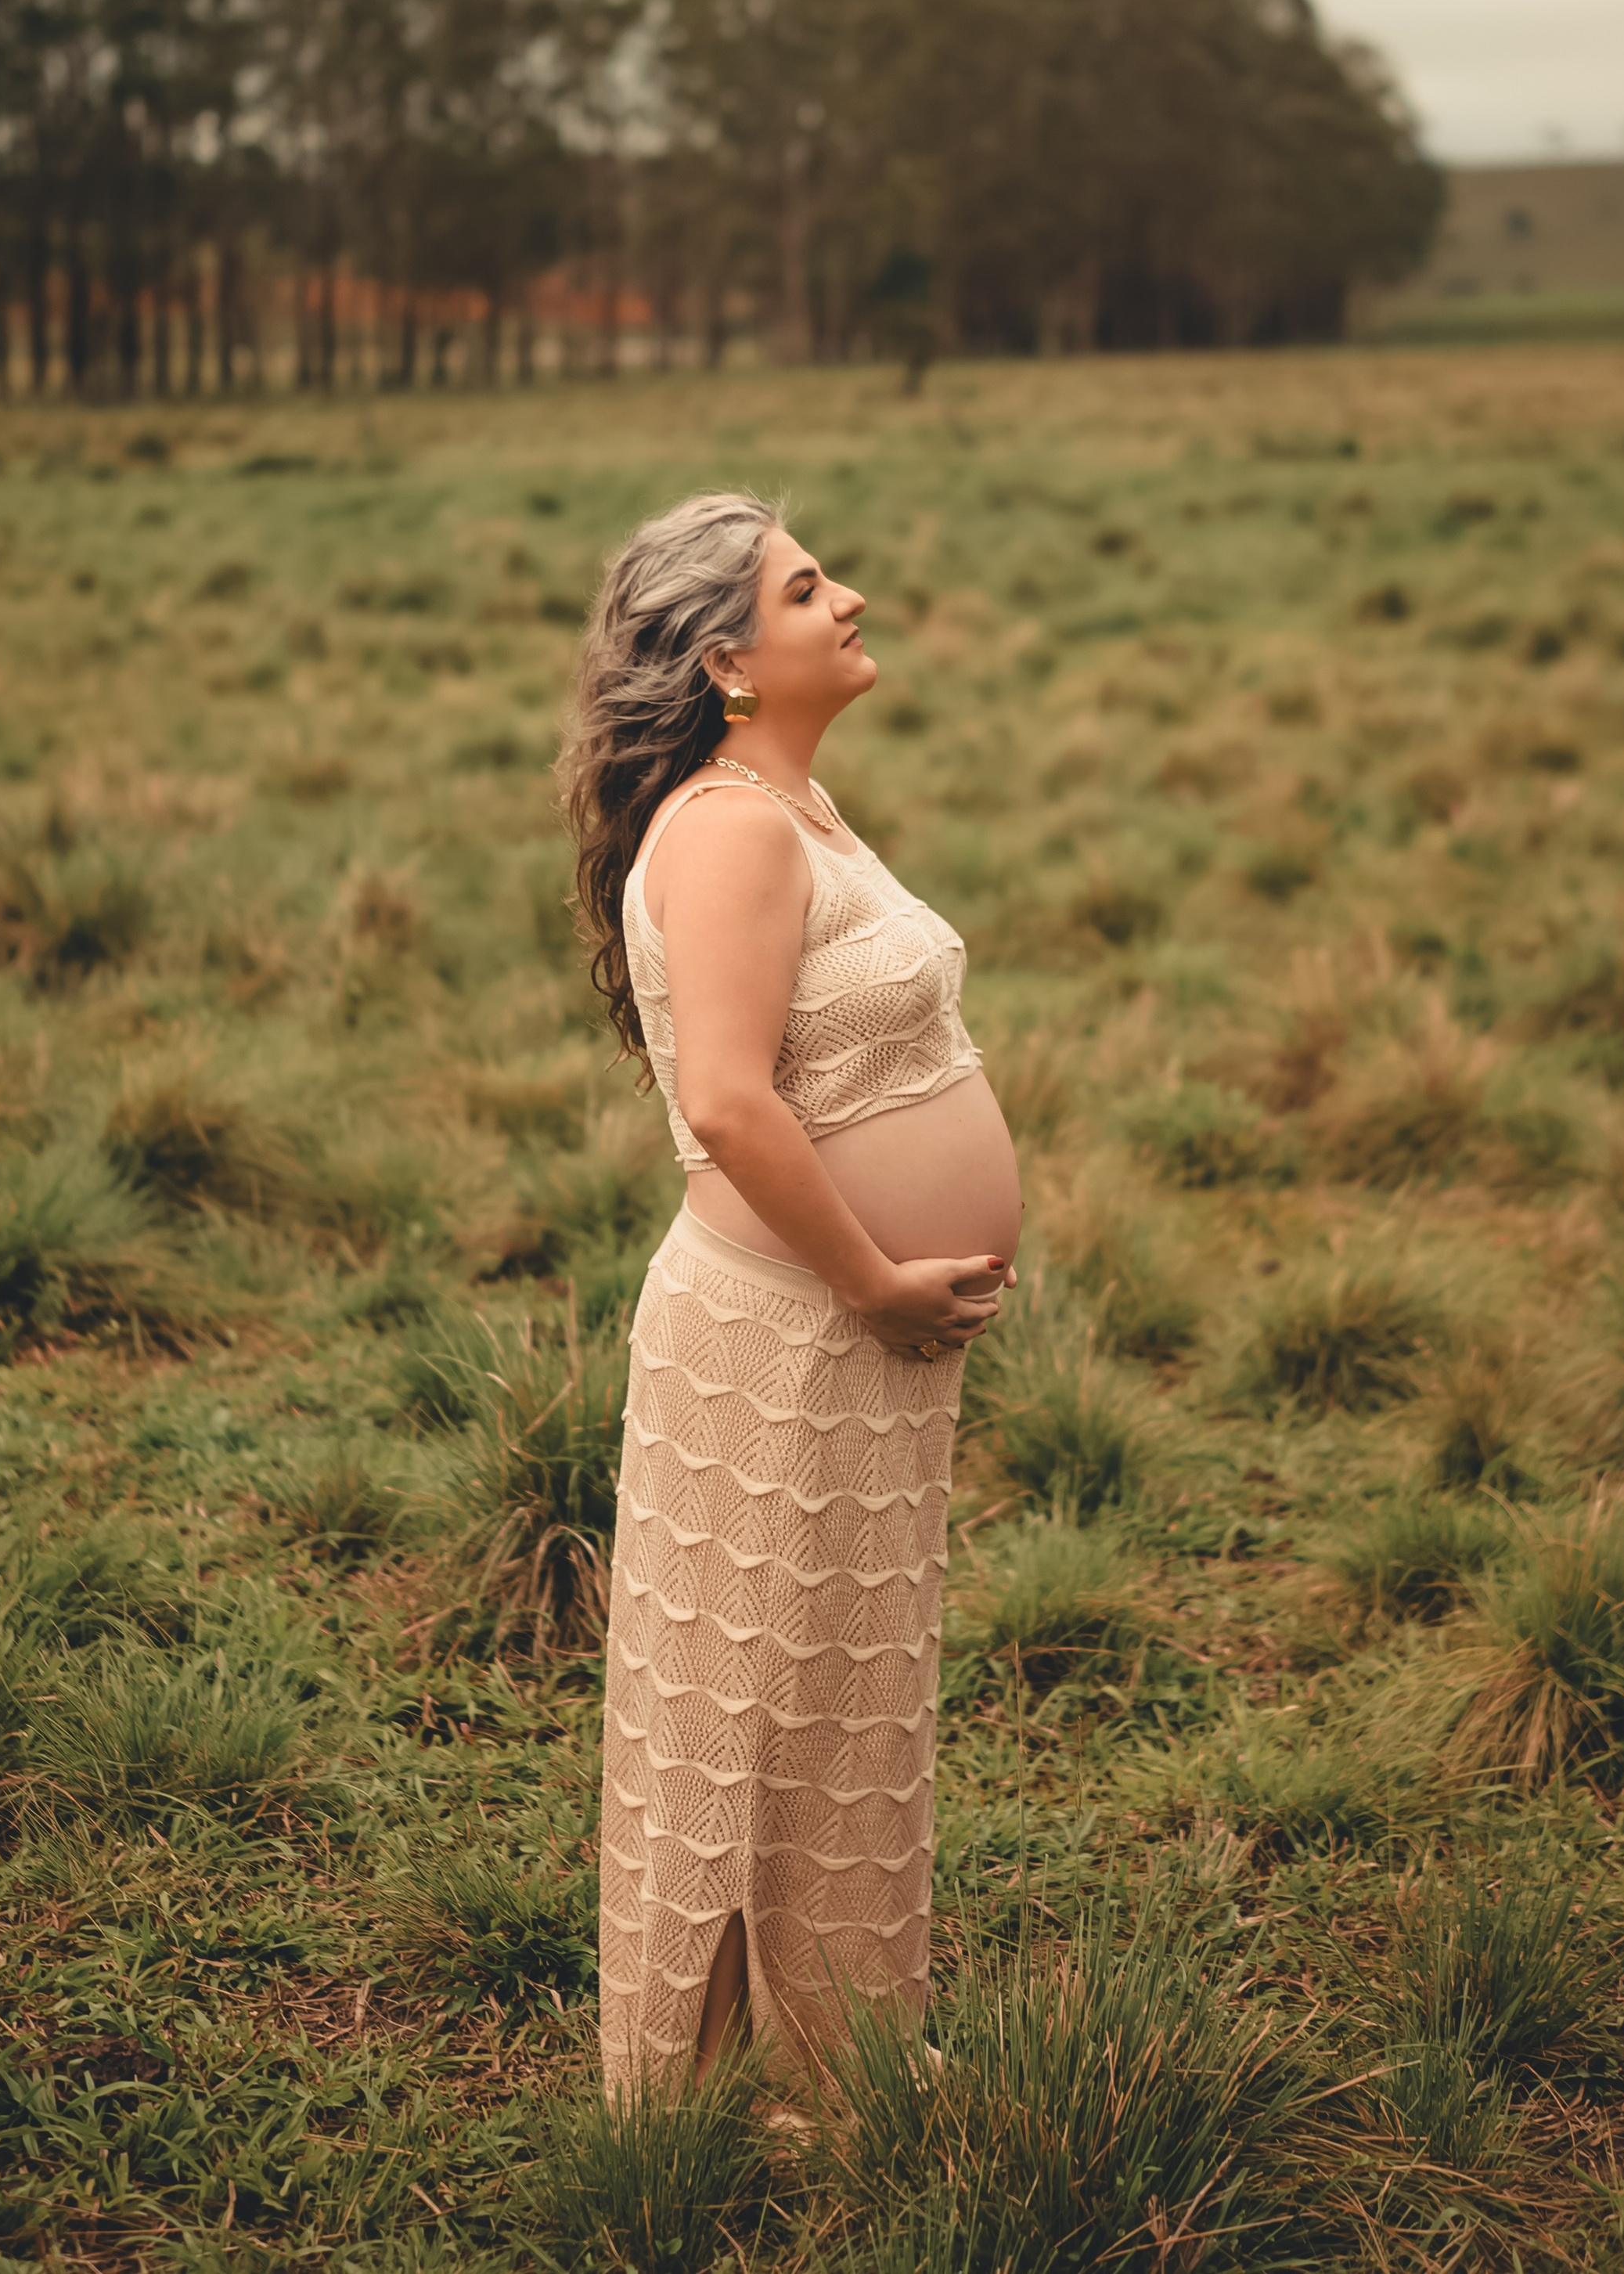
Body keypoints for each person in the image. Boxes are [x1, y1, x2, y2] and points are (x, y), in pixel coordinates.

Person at [558, 489, 1021, 2100]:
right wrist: (875, 1278)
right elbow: (731, 1102)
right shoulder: (738, 826)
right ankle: (766, 2094)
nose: (852, 599)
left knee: (831, 1707)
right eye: (809, 587)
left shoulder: (790, 805)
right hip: (795, 1334)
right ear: (728, 663)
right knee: (773, 1713)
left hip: (844, 1331)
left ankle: (839, 2060)